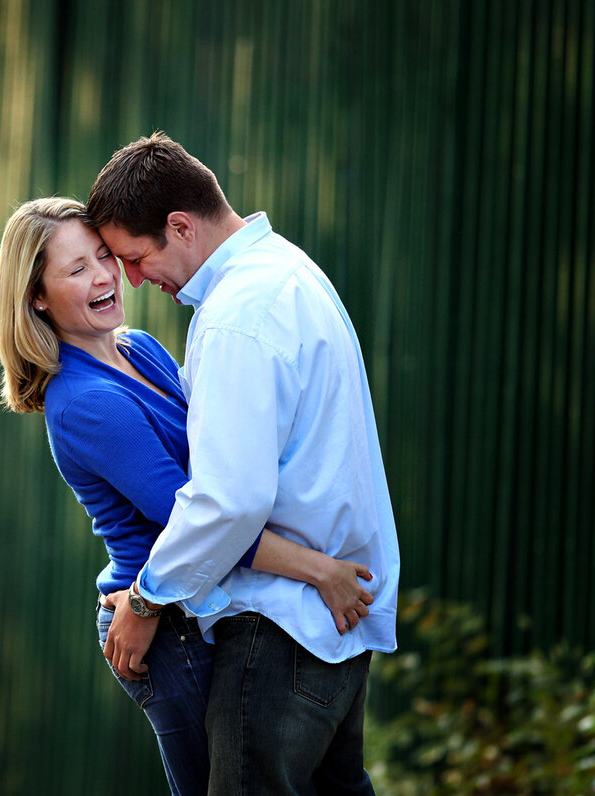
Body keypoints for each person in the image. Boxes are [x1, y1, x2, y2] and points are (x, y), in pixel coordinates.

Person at [0, 196, 378, 796]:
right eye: (76, 269)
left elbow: (224, 468)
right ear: (36, 297)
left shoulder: (139, 347)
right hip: (162, 623)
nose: (104, 276)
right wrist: (318, 571)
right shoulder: (85, 404)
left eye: (104, 256)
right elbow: (197, 516)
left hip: (193, 596)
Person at [88, 133, 400, 794]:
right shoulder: (287, 270)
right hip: (330, 621)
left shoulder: (237, 315)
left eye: (135, 258)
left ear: (179, 226)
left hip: (278, 631)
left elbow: (229, 500)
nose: (135, 279)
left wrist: (145, 598)